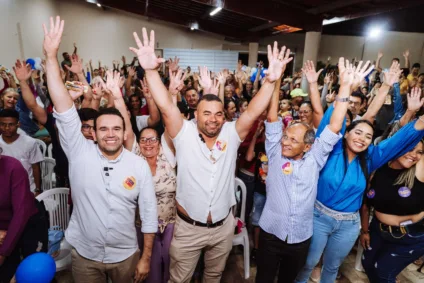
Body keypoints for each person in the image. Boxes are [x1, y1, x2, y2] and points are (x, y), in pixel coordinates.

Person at [130, 27, 292, 282]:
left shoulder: (231, 132)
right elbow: (165, 106)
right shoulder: (183, 133)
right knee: (179, 279)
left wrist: (270, 81)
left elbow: (251, 112)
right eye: (206, 113)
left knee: (213, 277)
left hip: (222, 228)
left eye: (218, 113)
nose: (213, 119)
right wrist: (150, 71)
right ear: (196, 114)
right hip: (187, 228)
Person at [43, 16, 157, 282]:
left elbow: (149, 214)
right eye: (103, 129)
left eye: (116, 129)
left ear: (125, 132)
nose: (110, 134)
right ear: (93, 133)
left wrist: (146, 257)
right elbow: (62, 106)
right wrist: (50, 57)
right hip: (84, 255)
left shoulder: (137, 164)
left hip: (126, 255)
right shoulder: (79, 152)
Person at [295, 70, 424, 283]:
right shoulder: (330, 150)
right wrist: (354, 87)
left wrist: (415, 115)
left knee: (332, 267)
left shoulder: (370, 158)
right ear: (345, 133)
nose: (362, 139)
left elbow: (402, 138)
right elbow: (343, 119)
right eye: (357, 133)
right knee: (308, 263)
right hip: (319, 218)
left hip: (348, 224)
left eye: (368, 136)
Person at [256, 58, 355, 283]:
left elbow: (335, 125)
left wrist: (345, 87)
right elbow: (272, 117)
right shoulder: (274, 152)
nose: (286, 142)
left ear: (308, 146)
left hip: (301, 237)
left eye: (293, 139)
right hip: (271, 233)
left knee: (288, 280)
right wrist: (277, 78)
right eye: (285, 137)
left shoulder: (315, 158)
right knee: (263, 279)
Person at [360, 88, 424, 283]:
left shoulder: (419, 169)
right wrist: (365, 231)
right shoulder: (378, 168)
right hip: (377, 231)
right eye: (410, 149)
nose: (414, 154)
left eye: (420, 152)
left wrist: (413, 114)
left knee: (383, 273)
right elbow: (365, 205)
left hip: (410, 237)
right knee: (368, 265)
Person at [0, 152, 48, 283]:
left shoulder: (13, 167)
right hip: (3, 225)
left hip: (29, 221)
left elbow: (21, 213)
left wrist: (3, 253)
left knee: (34, 271)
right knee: (6, 273)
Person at [138, 127, 177, 283]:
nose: (148, 143)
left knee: (171, 266)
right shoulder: (133, 161)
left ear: (160, 143)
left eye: (152, 139)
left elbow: (170, 124)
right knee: (151, 271)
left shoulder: (169, 158)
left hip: (171, 223)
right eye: (143, 140)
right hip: (144, 227)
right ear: (138, 143)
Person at [0, 109, 43, 195]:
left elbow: (36, 168)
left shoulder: (30, 142)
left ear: (18, 124)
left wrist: (37, 190)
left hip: (27, 190)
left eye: (11, 124)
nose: (6, 128)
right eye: (3, 124)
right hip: (3, 191)